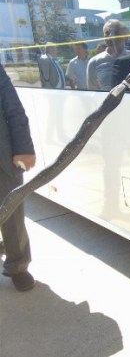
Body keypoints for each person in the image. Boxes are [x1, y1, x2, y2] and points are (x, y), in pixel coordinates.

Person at [0, 63, 36, 292]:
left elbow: (13, 109)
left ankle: (18, 266)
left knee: (12, 213)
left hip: (2, 158)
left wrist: (23, 148)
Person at [86, 19, 130, 90]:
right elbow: (93, 92)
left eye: (115, 32)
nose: (111, 36)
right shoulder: (94, 62)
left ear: (125, 37)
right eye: (107, 33)